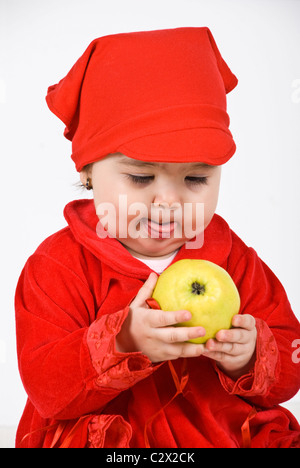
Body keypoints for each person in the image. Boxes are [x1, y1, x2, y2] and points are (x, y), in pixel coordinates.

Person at [15, 27, 300, 448]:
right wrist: (122, 342)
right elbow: (47, 389)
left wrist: (251, 355)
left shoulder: (233, 258)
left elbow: (290, 362)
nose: (168, 201)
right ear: (88, 171)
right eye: (141, 176)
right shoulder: (58, 266)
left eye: (196, 178)